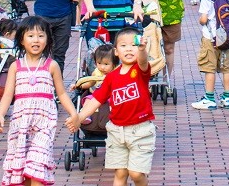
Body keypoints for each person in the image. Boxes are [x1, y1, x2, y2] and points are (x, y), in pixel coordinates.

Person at [66, 27, 160, 186]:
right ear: (116, 52)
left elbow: (143, 61)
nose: (129, 49)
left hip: (140, 131)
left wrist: (143, 50)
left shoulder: (139, 70)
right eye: (123, 45)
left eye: (133, 45)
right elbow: (96, 99)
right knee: (120, 173)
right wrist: (80, 117)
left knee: (136, 174)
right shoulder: (111, 78)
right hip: (116, 131)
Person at [0, 15, 79, 186]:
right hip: (20, 124)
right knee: (22, 170)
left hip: (44, 124)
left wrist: (74, 113)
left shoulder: (51, 65)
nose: (36, 40)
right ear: (21, 40)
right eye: (31, 36)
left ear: (48, 40)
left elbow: (62, 94)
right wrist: (1, 115)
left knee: (37, 166)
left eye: (41, 36)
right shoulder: (15, 66)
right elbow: (8, 94)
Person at [192, 0, 229, 110]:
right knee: (226, 68)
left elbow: (203, 19)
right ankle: (227, 97)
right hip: (225, 38)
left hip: (210, 39)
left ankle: (209, 98)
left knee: (209, 67)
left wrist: (201, 20)